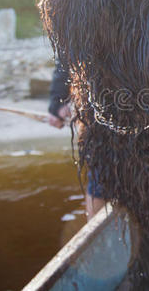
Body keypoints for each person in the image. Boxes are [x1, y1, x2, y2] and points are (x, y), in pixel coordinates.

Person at [48, 62, 106, 221]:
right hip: (101, 115)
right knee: (101, 179)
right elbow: (67, 55)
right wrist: (58, 103)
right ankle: (98, 234)